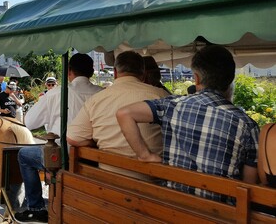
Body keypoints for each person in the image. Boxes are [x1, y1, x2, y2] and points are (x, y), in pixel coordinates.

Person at [116, 45, 259, 203]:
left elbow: (124, 113)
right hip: (222, 213)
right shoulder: (247, 125)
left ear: (196, 78)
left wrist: (145, 155)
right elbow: (249, 185)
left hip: (174, 205)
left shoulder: (173, 105)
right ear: (230, 79)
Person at [15, 53, 104, 223]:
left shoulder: (57, 93)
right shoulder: (102, 93)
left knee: (24, 155)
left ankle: (36, 208)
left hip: (63, 155)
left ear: (69, 72)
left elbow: (30, 122)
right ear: (92, 72)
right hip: (93, 156)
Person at [67, 51, 170, 180]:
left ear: (115, 73)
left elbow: (73, 138)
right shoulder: (162, 96)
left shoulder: (96, 99)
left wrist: (97, 141)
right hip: (152, 181)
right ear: (143, 74)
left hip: (109, 180)